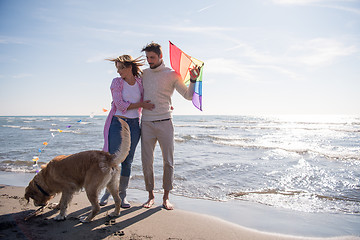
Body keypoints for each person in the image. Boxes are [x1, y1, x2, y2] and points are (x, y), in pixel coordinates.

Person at [140, 42, 201, 210]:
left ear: (160, 57)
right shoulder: (143, 74)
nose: (149, 61)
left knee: (168, 161)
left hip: (165, 122)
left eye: (152, 57)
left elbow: (188, 96)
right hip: (146, 123)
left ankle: (166, 197)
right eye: (147, 58)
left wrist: (194, 80)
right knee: (146, 161)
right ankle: (150, 195)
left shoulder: (172, 75)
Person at [100, 55, 155, 208]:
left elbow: (150, 96)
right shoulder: (116, 82)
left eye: (121, 68)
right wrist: (141, 104)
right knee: (113, 159)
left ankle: (122, 195)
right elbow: (120, 104)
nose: (118, 72)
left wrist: (164, 105)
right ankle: (107, 192)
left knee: (128, 161)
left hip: (134, 124)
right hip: (118, 122)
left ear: (129, 67)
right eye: (117, 68)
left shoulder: (139, 82)